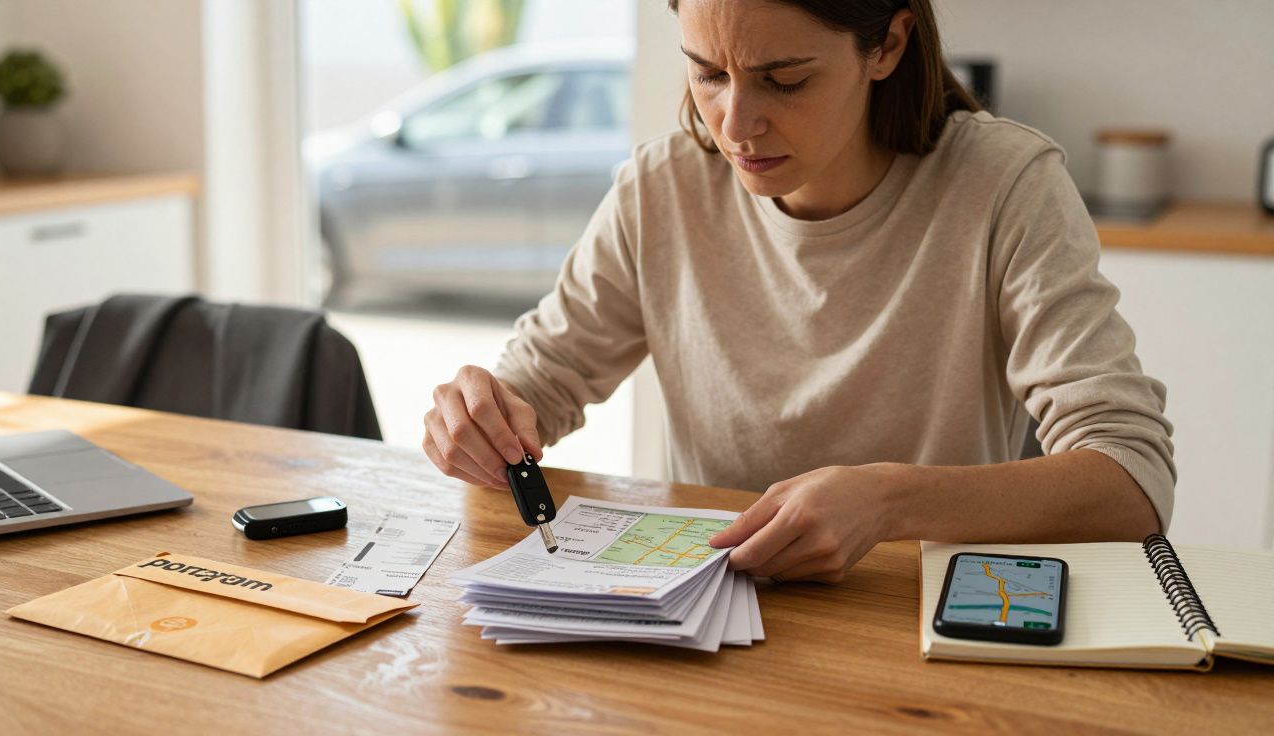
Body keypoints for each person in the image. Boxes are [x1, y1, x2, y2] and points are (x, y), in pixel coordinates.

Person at [422, 0, 1174, 584]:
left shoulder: (1005, 185)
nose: (736, 125)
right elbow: (541, 382)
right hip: (703, 611)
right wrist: (485, 416)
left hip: (916, 618)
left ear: (888, 45)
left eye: (784, 80)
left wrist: (889, 501)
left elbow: (1130, 481)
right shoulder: (661, 188)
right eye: (707, 74)